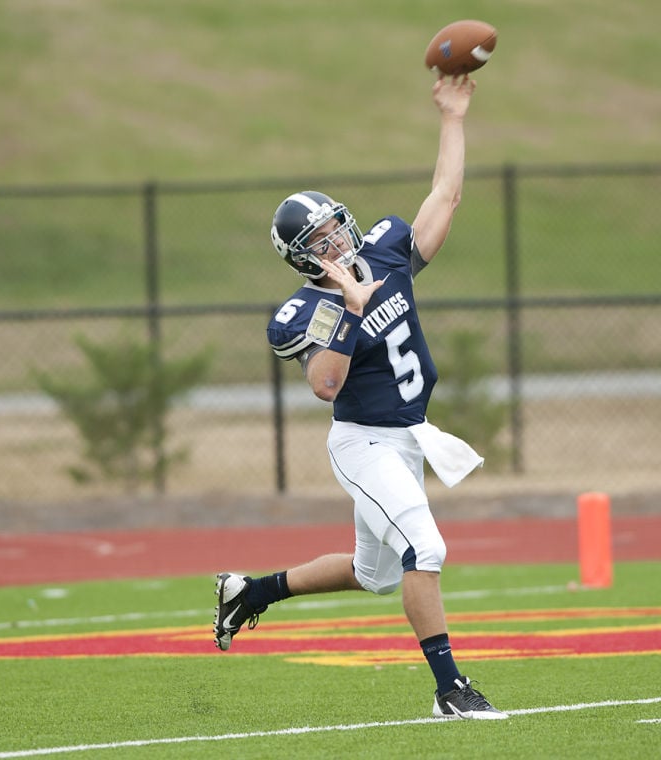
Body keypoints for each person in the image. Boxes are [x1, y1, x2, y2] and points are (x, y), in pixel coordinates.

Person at [213, 73, 507, 721]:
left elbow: (445, 197)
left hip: (409, 436)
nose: (336, 243)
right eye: (319, 242)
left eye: (336, 228)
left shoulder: (385, 255)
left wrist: (452, 116)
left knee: (374, 574)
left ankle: (249, 591)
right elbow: (324, 385)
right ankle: (450, 690)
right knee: (424, 551)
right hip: (364, 442)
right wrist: (349, 311)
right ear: (303, 260)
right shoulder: (306, 309)